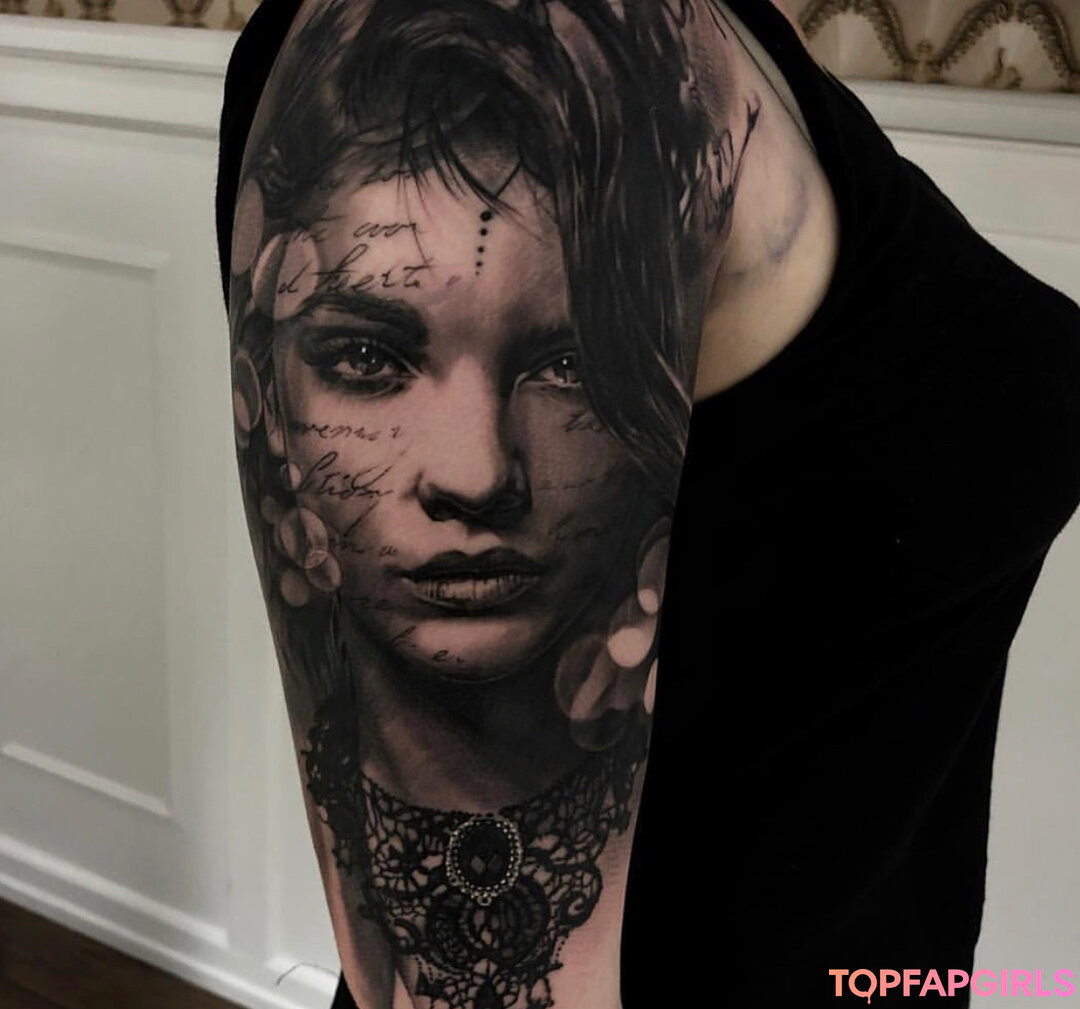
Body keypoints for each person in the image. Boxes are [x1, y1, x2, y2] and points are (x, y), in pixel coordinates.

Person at [216, 0, 1080, 1006]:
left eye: (569, 363)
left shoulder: (687, 52)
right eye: (370, 356)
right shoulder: (500, 28)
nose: (479, 475)